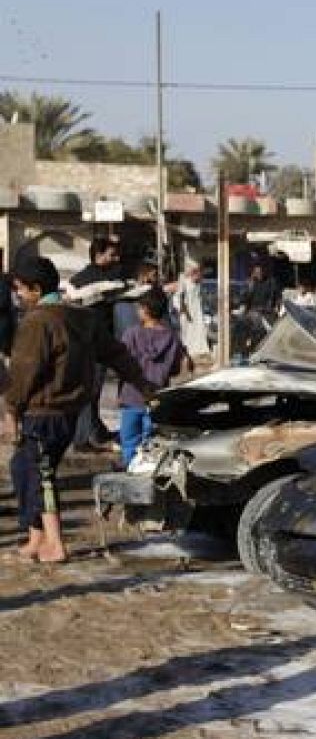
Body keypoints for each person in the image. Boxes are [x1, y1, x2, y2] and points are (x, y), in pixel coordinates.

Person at [4, 257, 151, 563]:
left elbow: (24, 371)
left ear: (36, 288)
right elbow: (115, 353)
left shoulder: (38, 321)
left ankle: (55, 545)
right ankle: (36, 538)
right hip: (69, 411)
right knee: (24, 469)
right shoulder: (82, 317)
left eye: (19, 289)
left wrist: (11, 411)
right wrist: (140, 380)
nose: (17, 295)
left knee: (40, 476)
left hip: (43, 411)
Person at [66, 236, 125, 449]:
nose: (116, 258)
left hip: (92, 341)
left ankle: (91, 431)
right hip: (93, 343)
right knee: (91, 389)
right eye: (111, 254)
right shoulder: (90, 278)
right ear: (98, 255)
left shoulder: (87, 277)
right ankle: (84, 437)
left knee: (92, 390)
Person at [118, 292, 186, 466]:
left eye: (139, 307)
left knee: (129, 440)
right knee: (151, 441)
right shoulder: (172, 337)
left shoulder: (131, 334)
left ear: (145, 310)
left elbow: (121, 364)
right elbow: (175, 369)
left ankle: (130, 468)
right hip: (157, 397)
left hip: (132, 395)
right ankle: (148, 471)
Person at [175, 261, 212, 365]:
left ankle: (199, 350)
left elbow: (199, 296)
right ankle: (187, 352)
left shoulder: (198, 283)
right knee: (187, 331)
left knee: (199, 329)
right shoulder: (184, 281)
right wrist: (185, 312)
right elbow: (180, 296)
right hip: (187, 309)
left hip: (196, 309)